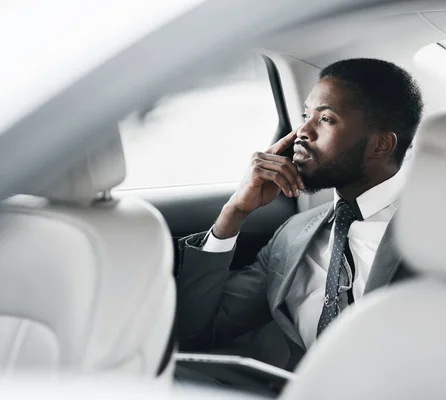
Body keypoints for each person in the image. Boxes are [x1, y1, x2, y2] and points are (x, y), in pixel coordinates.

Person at [175, 58, 424, 380]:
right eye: (306, 115)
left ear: (380, 144)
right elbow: (196, 333)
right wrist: (234, 212)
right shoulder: (294, 234)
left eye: (326, 119)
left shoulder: (440, 236)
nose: (302, 133)